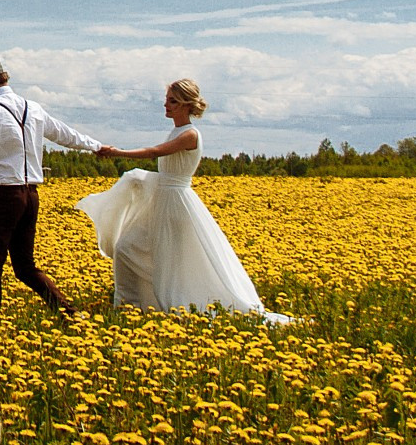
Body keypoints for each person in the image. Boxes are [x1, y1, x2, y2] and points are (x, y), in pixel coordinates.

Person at [79, 79, 289, 323]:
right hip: (161, 199)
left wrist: (118, 152)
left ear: (187, 105)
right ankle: (130, 305)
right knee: (126, 248)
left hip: (176, 204)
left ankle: (170, 305)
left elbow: (155, 152)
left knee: (171, 260)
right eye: (167, 99)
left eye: (173, 101)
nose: (166, 105)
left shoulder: (190, 134)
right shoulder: (177, 131)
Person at [0, 56, 109, 316]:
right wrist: (96, 146)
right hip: (30, 196)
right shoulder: (33, 108)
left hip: (2, 196)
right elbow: (65, 134)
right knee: (25, 266)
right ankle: (68, 313)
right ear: (5, 78)